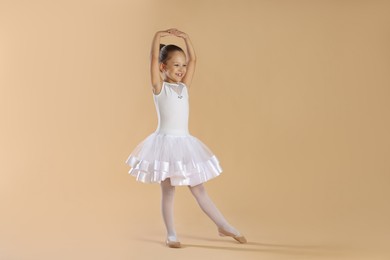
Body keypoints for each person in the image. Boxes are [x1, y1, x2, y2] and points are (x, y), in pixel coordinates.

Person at [125, 28, 246, 248]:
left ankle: (223, 225)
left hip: (185, 144)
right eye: (176, 65)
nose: (181, 69)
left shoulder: (183, 88)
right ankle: (171, 234)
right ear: (163, 67)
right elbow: (152, 57)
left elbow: (194, 60)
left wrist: (187, 39)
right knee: (168, 191)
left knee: (199, 189)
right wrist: (158, 36)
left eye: (183, 65)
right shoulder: (159, 88)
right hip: (164, 144)